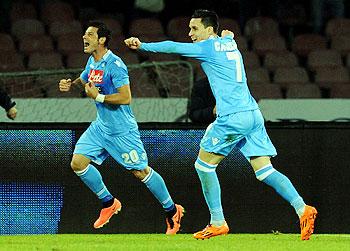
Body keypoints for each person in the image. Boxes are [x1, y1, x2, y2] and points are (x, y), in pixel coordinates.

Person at [124, 9, 317, 240]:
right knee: (265, 171)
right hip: (253, 114)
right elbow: (226, 38)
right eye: (189, 28)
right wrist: (228, 37)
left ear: (208, 29)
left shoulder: (209, 47)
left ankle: (218, 222)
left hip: (232, 117)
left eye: (194, 28)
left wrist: (143, 45)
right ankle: (302, 208)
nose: (190, 33)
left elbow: (174, 47)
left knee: (203, 166)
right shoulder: (229, 44)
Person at [58, 21, 184, 234]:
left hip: (122, 131)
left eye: (89, 35)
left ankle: (172, 210)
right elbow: (84, 77)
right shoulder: (92, 60)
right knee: (78, 163)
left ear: (102, 40)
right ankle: (109, 203)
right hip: (101, 127)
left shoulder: (115, 65)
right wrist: (71, 84)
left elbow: (126, 98)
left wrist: (97, 96)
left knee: (140, 171)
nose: (83, 37)